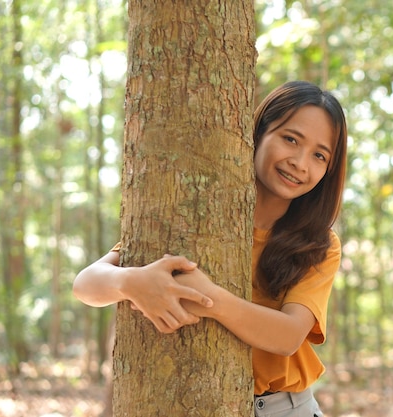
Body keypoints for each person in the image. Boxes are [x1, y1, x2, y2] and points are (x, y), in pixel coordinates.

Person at [73, 80, 348, 417]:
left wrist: (210, 299)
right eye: (290, 139)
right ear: (258, 134)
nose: (300, 163)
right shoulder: (197, 215)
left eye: (319, 155)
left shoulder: (319, 245)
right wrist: (130, 282)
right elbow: (86, 284)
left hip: (285, 409)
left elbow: (289, 335)